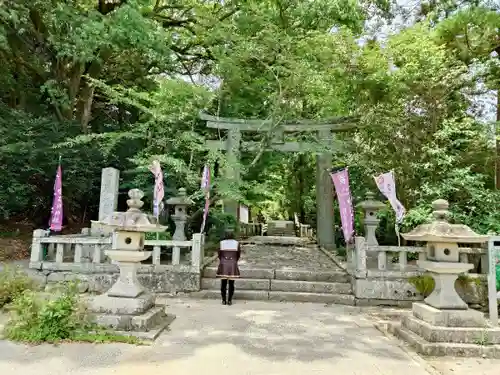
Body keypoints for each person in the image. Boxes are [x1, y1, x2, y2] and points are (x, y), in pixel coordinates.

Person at [216, 230, 241, 305]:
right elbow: (238, 254)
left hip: (223, 264)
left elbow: (219, 254)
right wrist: (234, 260)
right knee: (231, 284)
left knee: (223, 283)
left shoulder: (221, 243)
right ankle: (229, 300)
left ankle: (223, 300)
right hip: (232, 264)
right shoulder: (236, 243)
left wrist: (223, 260)